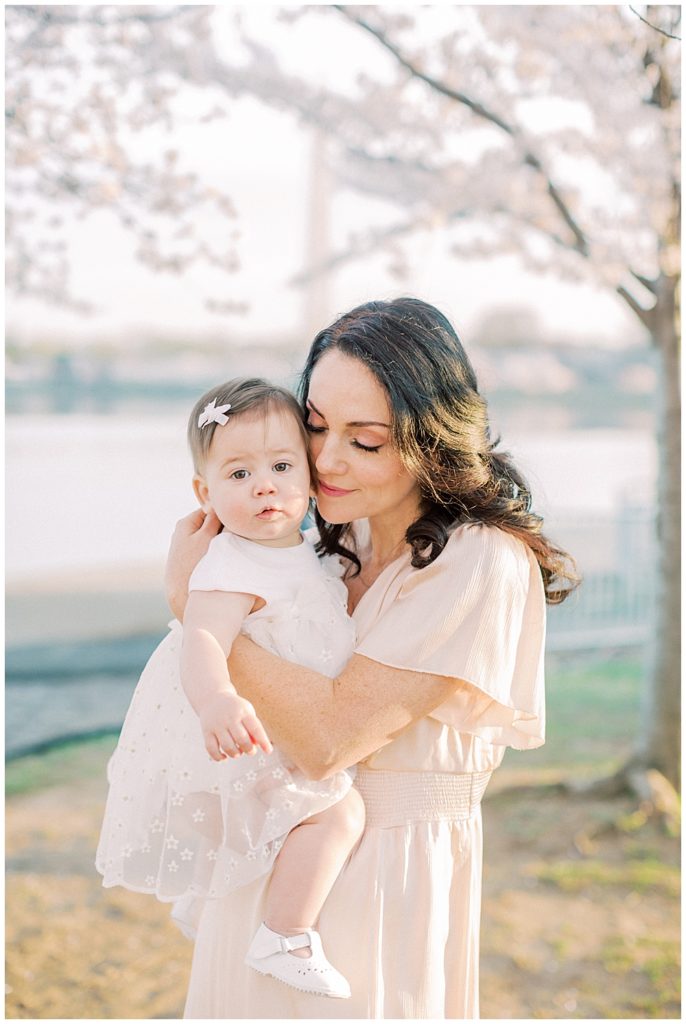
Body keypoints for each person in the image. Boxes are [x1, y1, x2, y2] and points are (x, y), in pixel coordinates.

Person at [167, 297, 579, 1020]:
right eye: (317, 427)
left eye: (367, 440)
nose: (324, 461)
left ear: (431, 439)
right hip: (275, 866)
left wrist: (194, 611)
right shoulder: (334, 543)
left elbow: (329, 740)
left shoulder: (477, 561)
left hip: (388, 880)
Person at [97, 378, 365, 1000]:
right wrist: (217, 698)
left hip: (282, 723)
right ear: (205, 493)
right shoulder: (229, 563)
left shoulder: (308, 553)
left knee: (297, 821)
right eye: (239, 473)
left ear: (310, 475)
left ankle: (207, 901)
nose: (264, 485)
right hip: (244, 731)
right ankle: (285, 935)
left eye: (279, 466)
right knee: (338, 811)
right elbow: (202, 639)